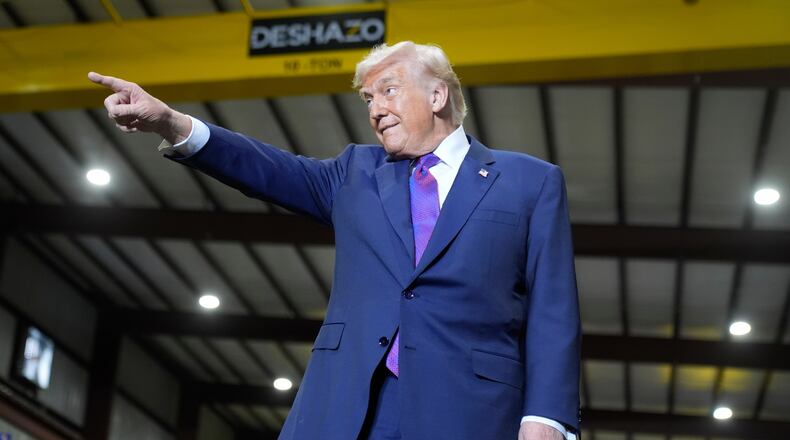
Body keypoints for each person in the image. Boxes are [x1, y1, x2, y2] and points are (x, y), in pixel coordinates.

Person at [89, 41, 581, 440]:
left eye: (388, 91)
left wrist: (548, 416)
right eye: (368, 99)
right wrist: (172, 123)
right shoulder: (355, 173)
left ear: (437, 96)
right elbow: (266, 169)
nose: (376, 110)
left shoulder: (529, 182)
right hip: (346, 408)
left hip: (468, 413)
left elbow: (553, 309)